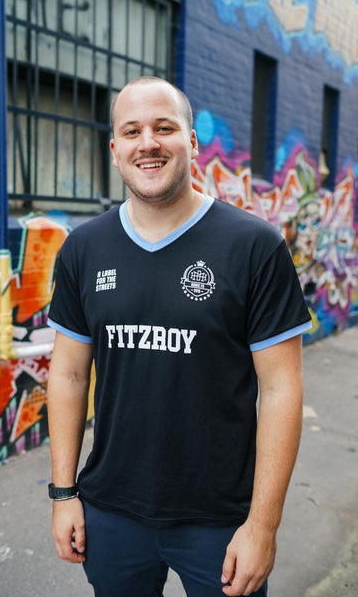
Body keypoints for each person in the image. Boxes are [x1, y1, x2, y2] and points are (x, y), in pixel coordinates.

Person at [47, 76, 312, 597]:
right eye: (132, 131)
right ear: (116, 149)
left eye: (164, 128)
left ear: (191, 142)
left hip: (221, 521)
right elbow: (69, 373)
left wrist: (262, 526)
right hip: (111, 511)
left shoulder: (254, 246)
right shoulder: (84, 249)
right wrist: (63, 494)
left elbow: (282, 390)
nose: (148, 143)